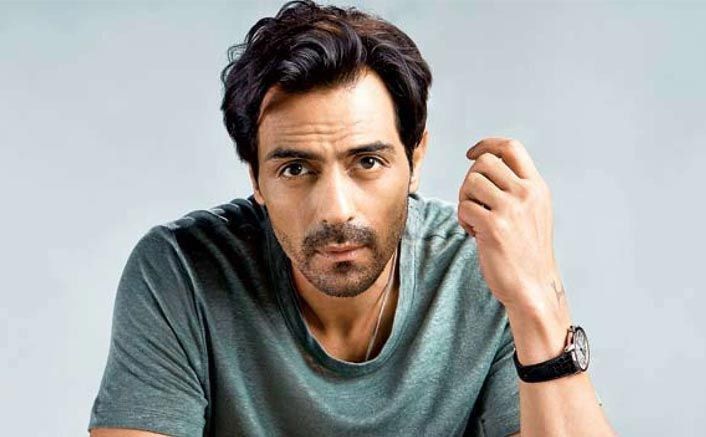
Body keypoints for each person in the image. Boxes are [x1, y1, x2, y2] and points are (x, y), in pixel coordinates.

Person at [89, 1, 615, 436]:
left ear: (415, 158)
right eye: (296, 169)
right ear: (256, 179)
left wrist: (536, 300)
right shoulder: (183, 272)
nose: (336, 209)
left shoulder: (480, 269)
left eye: (367, 162)